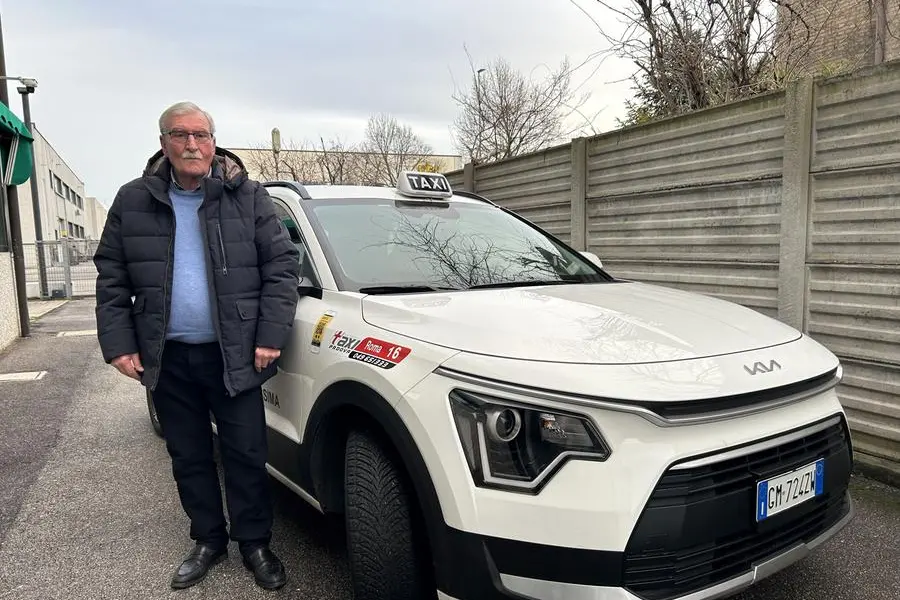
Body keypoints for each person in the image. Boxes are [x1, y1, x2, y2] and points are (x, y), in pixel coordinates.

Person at [93, 101, 300, 591]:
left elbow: (282, 268)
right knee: (188, 455)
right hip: (168, 356)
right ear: (163, 142)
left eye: (201, 135)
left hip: (235, 354)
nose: (192, 144)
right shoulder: (133, 200)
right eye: (180, 135)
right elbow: (112, 278)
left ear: (213, 142)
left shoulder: (246, 197)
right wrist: (119, 343)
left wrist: (271, 335)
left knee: (247, 453)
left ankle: (255, 543)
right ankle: (208, 538)